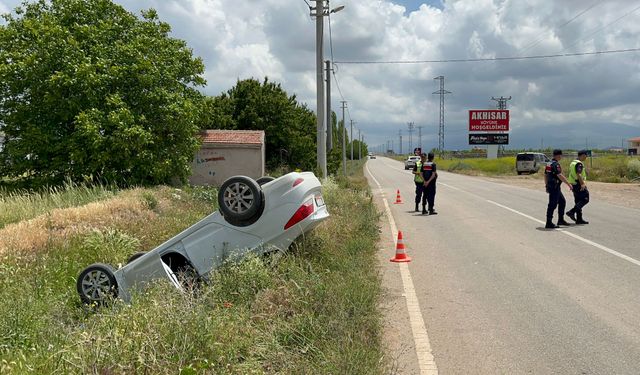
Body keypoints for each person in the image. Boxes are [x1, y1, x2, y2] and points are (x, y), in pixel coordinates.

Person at [544, 149, 573, 229]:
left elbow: (545, 175)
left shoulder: (549, 163)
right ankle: (548, 222)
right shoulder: (555, 164)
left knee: (562, 201)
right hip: (554, 187)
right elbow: (559, 175)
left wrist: (546, 185)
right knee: (552, 204)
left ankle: (561, 219)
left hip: (552, 186)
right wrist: (568, 184)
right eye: (560, 155)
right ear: (558, 155)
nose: (561, 157)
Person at [566, 150, 590, 224]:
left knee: (578, 201)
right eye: (586, 155)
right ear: (582, 155)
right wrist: (582, 184)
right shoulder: (579, 164)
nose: (586, 157)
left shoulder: (573, 163)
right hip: (578, 184)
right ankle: (572, 212)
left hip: (573, 184)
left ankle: (579, 219)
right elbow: (578, 174)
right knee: (585, 199)